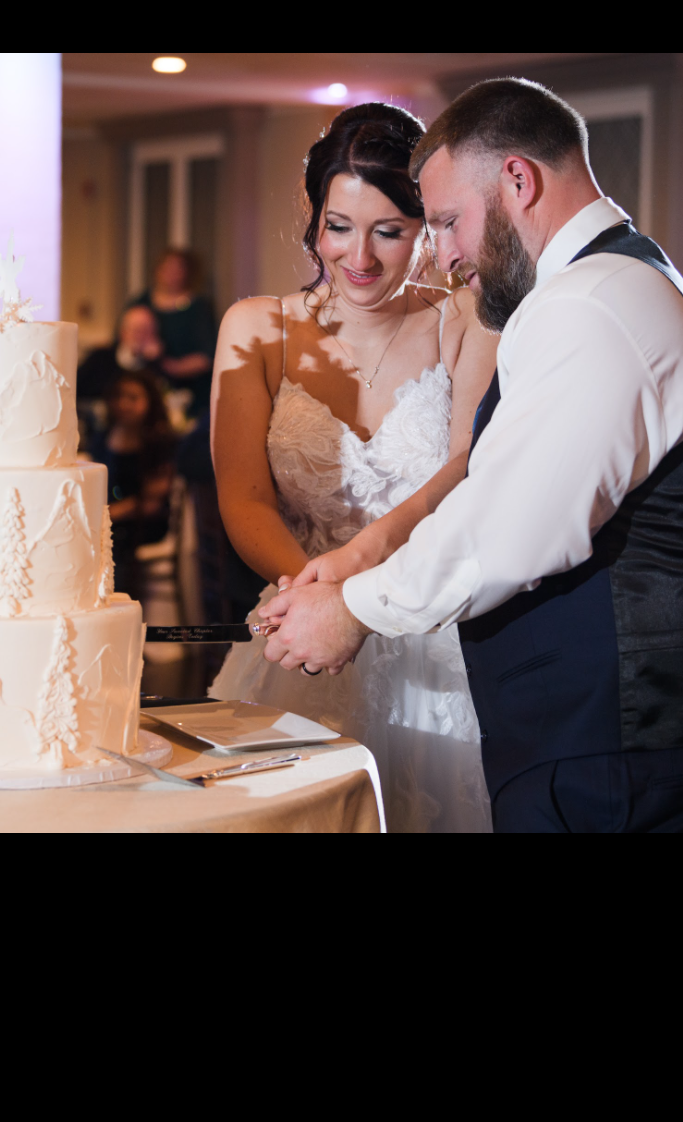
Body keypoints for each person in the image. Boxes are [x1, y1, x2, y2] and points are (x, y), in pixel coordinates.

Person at [260, 76, 683, 837]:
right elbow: (500, 484)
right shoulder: (612, 284)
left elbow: (514, 526)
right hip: (614, 741)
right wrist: (360, 562)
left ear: (519, 181)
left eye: (450, 222)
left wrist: (357, 609)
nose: (450, 256)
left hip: (623, 748)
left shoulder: (591, 302)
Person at [210, 103, 498, 833]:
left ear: (426, 226)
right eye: (340, 228)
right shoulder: (257, 327)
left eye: (389, 232)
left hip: (433, 636)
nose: (360, 257)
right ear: (314, 220)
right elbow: (244, 500)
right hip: (295, 627)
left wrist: (362, 584)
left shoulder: (466, 320)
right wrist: (313, 596)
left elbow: (468, 467)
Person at [86, 370, 175, 601]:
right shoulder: (103, 436)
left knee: (114, 543)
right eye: (118, 397)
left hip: (143, 523)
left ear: (150, 401)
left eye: (133, 398)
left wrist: (107, 515)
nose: (123, 404)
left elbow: (152, 502)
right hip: (111, 518)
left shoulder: (159, 441)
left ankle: (119, 605)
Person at [127, 248, 217, 417]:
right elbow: (123, 340)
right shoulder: (141, 302)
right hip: (145, 382)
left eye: (178, 269)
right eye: (167, 268)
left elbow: (207, 355)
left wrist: (171, 367)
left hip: (189, 388)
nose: (172, 274)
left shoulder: (199, 307)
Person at [76, 304, 165, 442]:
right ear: (123, 332)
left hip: (142, 438)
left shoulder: (156, 365)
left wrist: (156, 362)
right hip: (97, 432)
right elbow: (74, 388)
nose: (140, 336)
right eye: (136, 330)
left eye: (147, 331)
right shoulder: (100, 357)